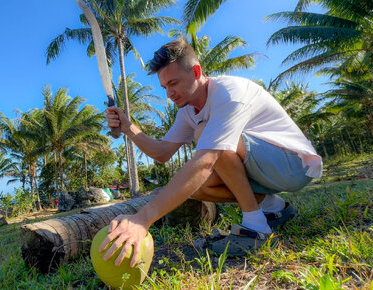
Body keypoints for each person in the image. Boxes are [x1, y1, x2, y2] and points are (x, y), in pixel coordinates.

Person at [100, 38, 322, 267]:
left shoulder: (228, 92)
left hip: (293, 166)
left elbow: (206, 160)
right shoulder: (187, 111)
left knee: (206, 135)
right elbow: (162, 152)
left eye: (174, 83)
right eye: (165, 87)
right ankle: (273, 209)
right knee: (195, 185)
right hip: (263, 171)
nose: (169, 94)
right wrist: (128, 127)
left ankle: (256, 228)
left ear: (196, 71)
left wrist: (142, 219)